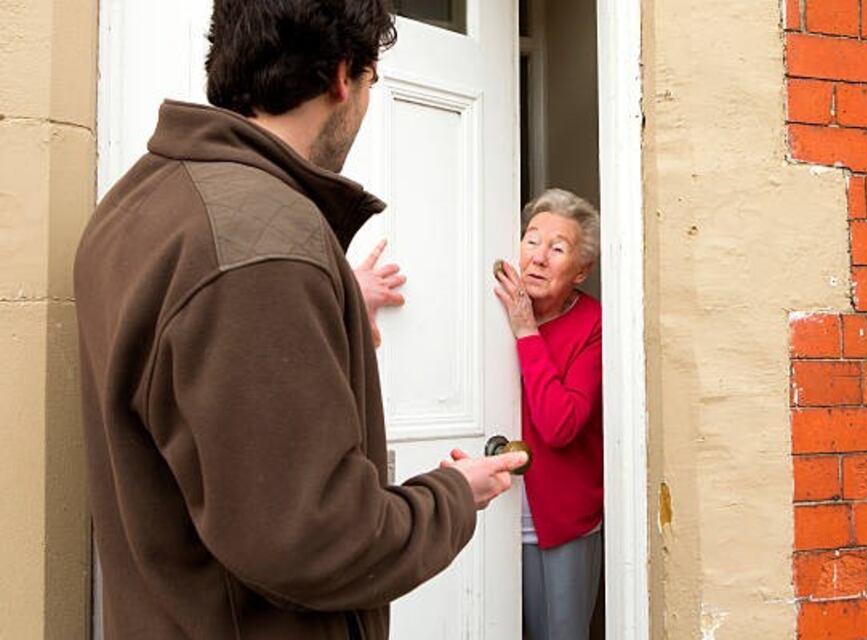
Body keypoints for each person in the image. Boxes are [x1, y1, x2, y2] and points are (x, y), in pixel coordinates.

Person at [73, 2, 527, 639]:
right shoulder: (263, 246)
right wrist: (454, 494)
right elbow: (318, 538)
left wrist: (331, 304)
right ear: (343, 76)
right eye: (371, 81)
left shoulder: (143, 201)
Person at [493, 188, 603, 640]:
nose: (537, 257)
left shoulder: (594, 324)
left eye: (557, 249)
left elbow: (561, 425)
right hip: (490, 512)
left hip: (558, 523)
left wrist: (526, 331)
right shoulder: (488, 309)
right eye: (532, 240)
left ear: (581, 270)